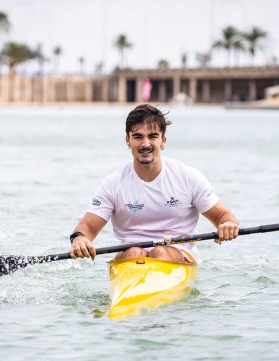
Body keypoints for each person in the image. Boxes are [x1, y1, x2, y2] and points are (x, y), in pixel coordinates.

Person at [69, 104, 239, 263]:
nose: (145, 144)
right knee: (135, 252)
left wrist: (227, 225)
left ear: (163, 140)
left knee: (160, 252)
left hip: (177, 252)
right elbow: (87, 228)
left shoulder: (188, 177)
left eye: (152, 136)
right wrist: (79, 239)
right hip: (130, 254)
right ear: (128, 140)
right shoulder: (112, 184)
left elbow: (223, 216)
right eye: (138, 137)